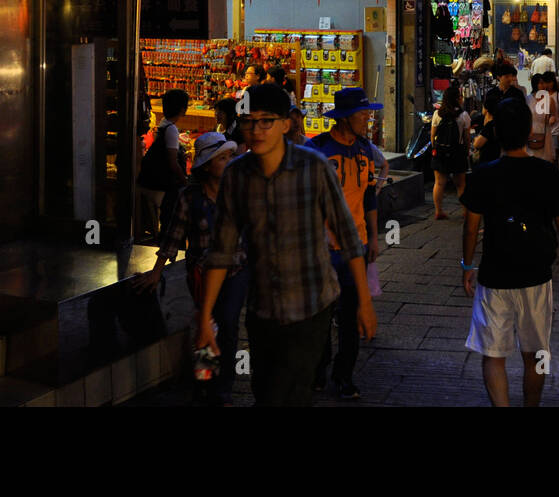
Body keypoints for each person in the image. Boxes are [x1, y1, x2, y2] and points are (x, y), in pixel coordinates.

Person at [196, 84, 376, 407]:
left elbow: (349, 237)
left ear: (286, 124)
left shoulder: (314, 167)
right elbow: (220, 251)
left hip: (311, 305)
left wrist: (364, 300)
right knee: (264, 390)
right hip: (262, 308)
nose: (256, 130)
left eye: (266, 121)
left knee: (289, 391)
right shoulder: (236, 176)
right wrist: (205, 316)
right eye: (249, 121)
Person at [461, 98, 559, 407]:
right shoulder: (545, 172)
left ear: (497, 133)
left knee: (493, 354)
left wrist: (467, 265)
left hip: (495, 273)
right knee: (537, 353)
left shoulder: (484, 173)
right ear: (529, 130)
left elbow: (471, 228)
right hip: (536, 274)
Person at [140, 131, 243, 405]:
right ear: (207, 166)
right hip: (201, 275)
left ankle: (222, 389)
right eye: (223, 158)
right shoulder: (189, 197)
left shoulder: (237, 194)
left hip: (234, 274)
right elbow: (173, 237)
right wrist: (156, 271)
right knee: (205, 326)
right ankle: (205, 383)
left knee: (229, 327)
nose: (228, 162)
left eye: (230, 157)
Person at [306, 87, 384, 399]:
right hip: (323, 249)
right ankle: (318, 371)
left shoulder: (365, 149)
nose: (367, 120)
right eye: (362, 115)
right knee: (323, 316)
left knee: (351, 316)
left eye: (367, 114)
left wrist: (375, 237)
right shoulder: (318, 151)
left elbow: (368, 197)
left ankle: (344, 376)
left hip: (358, 246)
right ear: (344, 119)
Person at [136, 89, 188, 241]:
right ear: (181, 108)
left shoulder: (165, 123)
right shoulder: (171, 129)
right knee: (170, 222)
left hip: (151, 181)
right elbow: (172, 162)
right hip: (161, 184)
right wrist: (185, 181)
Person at [431, 83, 472, 220]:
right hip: (458, 152)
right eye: (460, 96)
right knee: (460, 184)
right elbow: (466, 138)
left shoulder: (437, 114)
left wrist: (435, 148)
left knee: (439, 183)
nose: (462, 98)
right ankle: (465, 212)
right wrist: (466, 151)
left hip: (441, 152)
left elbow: (432, 136)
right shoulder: (464, 115)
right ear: (456, 99)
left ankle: (438, 211)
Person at [527, 72, 559, 163]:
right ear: (535, 84)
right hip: (532, 130)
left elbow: (554, 115)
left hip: (545, 130)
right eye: (540, 83)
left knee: (545, 159)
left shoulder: (549, 99)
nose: (543, 85)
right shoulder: (528, 99)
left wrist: (551, 119)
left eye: (544, 83)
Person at [472, 91, 502, 168]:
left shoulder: (490, 125)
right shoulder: (500, 122)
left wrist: (475, 138)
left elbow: (477, 144)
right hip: (498, 159)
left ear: (486, 109)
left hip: (487, 161)